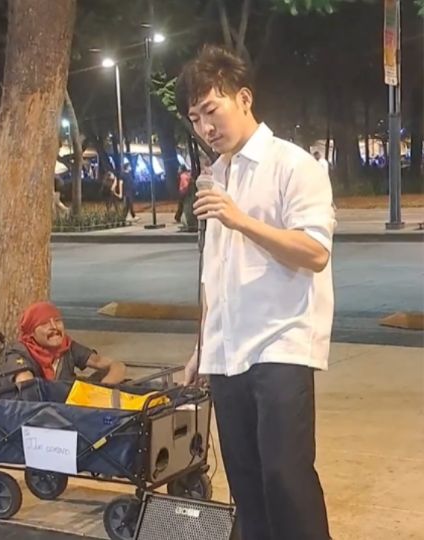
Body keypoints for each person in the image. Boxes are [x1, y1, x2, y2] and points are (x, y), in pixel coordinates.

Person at [177, 45, 335, 540]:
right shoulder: (215, 177)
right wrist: (201, 348)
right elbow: (216, 275)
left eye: (212, 110)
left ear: (243, 98)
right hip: (227, 353)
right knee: (245, 484)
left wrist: (240, 219)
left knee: (285, 478)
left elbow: (314, 251)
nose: (205, 126)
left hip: (281, 344)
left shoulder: (292, 165)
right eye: (195, 117)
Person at [2, 301, 126, 386]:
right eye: (45, 324)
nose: (54, 327)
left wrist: (103, 389)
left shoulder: (66, 346)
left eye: (57, 321)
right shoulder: (19, 353)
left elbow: (114, 365)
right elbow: (26, 385)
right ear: (31, 333)